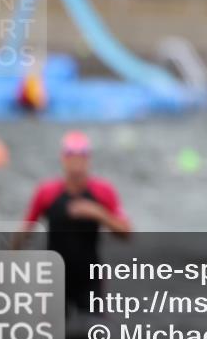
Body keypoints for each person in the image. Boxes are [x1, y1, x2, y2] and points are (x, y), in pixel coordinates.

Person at [14, 131, 131, 315]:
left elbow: (127, 233)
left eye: (81, 156)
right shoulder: (47, 192)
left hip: (89, 278)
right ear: (63, 158)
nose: (76, 162)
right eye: (71, 156)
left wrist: (98, 213)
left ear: (88, 159)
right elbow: (25, 230)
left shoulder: (103, 192)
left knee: (93, 335)